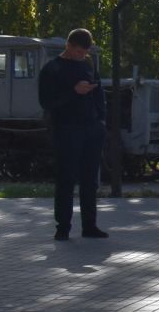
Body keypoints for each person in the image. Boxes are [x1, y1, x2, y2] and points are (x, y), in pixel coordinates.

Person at [37, 28, 108, 241]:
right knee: (66, 179)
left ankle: (90, 226)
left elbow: (99, 93)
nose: (82, 56)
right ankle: (63, 228)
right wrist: (73, 92)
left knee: (90, 180)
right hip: (66, 129)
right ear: (68, 46)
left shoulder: (87, 66)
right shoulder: (53, 69)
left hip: (91, 128)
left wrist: (100, 120)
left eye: (85, 52)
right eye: (78, 52)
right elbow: (46, 102)